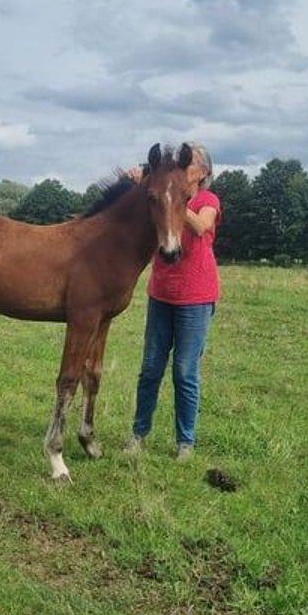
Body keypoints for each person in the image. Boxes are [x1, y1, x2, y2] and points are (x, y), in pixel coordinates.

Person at [125, 143, 221, 461]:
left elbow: (202, 225)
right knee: (151, 367)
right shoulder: (167, 193)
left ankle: (185, 442)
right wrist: (150, 186)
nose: (182, 165)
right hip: (162, 293)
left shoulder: (208, 201)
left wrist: (174, 196)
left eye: (190, 163)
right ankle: (138, 435)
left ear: (204, 172)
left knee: (184, 370)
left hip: (196, 297)